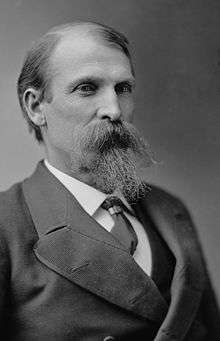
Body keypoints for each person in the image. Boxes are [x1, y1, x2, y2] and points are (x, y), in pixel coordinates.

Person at [0, 21, 219, 341]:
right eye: (87, 88)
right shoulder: (6, 224)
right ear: (36, 107)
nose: (114, 110)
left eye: (123, 88)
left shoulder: (169, 208)